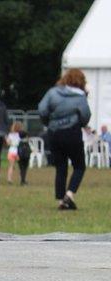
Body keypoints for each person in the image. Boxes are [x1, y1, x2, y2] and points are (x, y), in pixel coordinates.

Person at [38, 68, 91, 210]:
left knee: (60, 167)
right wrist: (79, 123)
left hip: (54, 133)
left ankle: (61, 200)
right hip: (72, 133)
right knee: (79, 166)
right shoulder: (80, 97)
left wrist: (48, 123)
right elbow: (86, 116)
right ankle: (69, 194)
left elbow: (42, 109)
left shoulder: (53, 92)